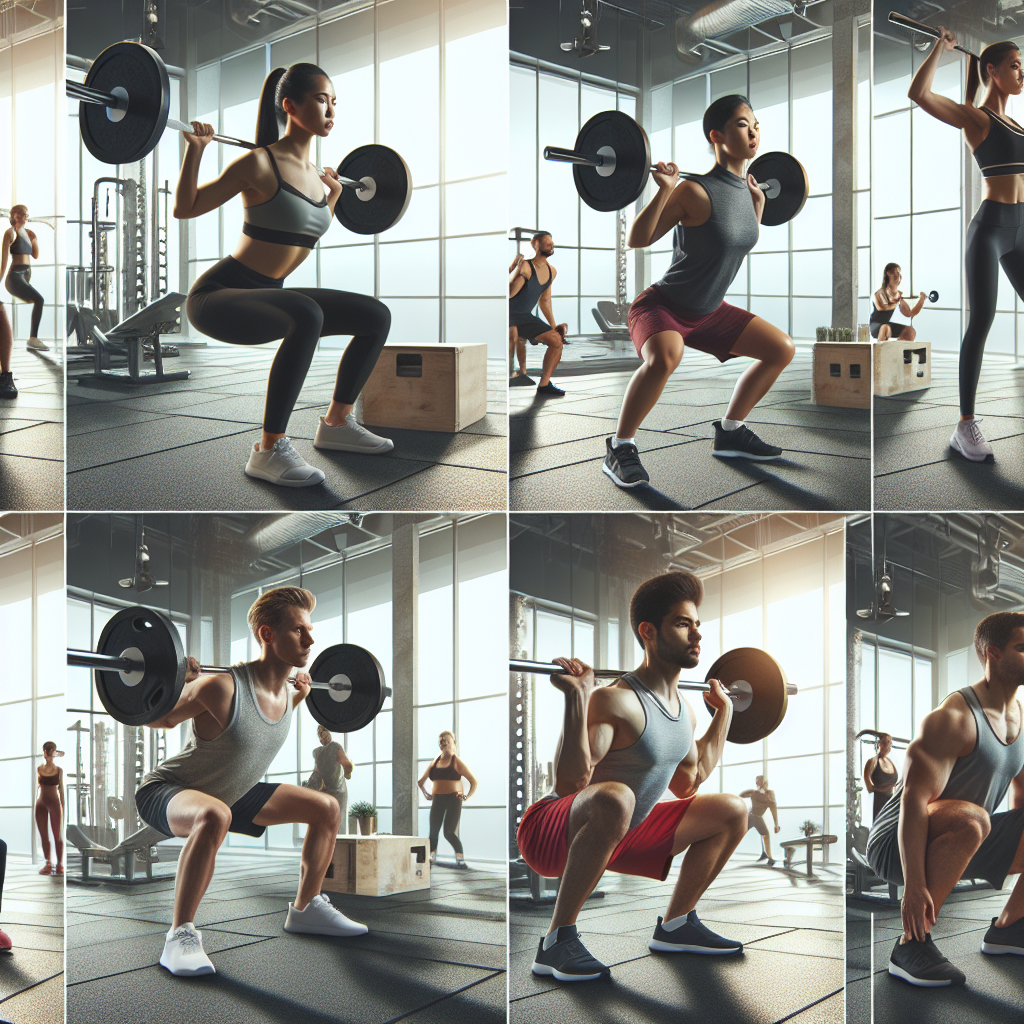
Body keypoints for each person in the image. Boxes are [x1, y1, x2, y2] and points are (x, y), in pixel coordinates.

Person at [516, 570, 747, 981]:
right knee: (616, 796)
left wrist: (724, 713)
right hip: (552, 832)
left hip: (621, 832)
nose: (696, 635)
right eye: (681, 623)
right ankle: (555, 942)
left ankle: (676, 926)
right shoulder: (614, 700)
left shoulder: (685, 712)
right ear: (648, 631)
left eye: (697, 624)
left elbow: (689, 782)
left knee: (733, 809)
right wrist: (578, 697)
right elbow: (571, 784)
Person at [175, 63, 393, 488]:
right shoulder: (258, 163)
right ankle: (268, 449)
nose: (331, 110)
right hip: (219, 295)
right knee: (306, 313)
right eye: (320, 99)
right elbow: (186, 208)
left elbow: (305, 228)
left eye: (334, 102)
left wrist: (333, 196)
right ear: (290, 105)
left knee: (374, 315)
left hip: (269, 293)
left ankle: (336, 424)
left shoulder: (320, 181)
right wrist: (195, 150)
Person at [134, 586, 368, 977]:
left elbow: (270, 719)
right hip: (168, 791)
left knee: (326, 807)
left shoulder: (290, 695)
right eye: (298, 631)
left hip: (232, 793)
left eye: (310, 629)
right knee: (213, 815)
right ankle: (179, 935)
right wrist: (178, 684)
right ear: (267, 634)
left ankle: (306, 908)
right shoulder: (220, 686)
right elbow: (158, 717)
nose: (310, 640)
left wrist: (301, 695)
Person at [603, 95, 794, 489]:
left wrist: (757, 204)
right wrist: (665, 189)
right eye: (743, 124)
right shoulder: (694, 190)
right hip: (663, 307)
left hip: (710, 311)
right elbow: (638, 239)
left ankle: (730, 432)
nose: (754, 131)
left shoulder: (749, 191)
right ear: (717, 136)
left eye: (756, 124)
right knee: (665, 357)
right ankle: (619, 446)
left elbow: (740, 239)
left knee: (782, 348)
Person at [865, 611, 1024, 986]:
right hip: (897, 842)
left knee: (977, 822)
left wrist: (1010, 859)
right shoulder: (954, 717)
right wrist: (914, 887)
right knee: (975, 819)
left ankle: (1009, 927)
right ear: (993, 653)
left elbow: (1021, 799)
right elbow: (914, 802)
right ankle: (910, 945)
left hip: (967, 835)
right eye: (1023, 647)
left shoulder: (1021, 720)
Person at [909, 32, 1024, 462]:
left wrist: (973, 78)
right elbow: (918, 93)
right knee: (982, 321)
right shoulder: (977, 120)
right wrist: (941, 46)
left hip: (1022, 226)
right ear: (992, 70)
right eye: (1014, 64)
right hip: (991, 228)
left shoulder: (1015, 123)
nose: (1022, 72)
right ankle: (965, 424)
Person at [508, 233, 567, 396]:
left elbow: (545, 301)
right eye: (547, 242)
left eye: (552, 242)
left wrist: (554, 327)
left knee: (556, 341)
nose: (551, 244)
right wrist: (516, 271)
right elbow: (510, 294)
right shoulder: (526, 267)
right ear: (536, 244)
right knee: (514, 339)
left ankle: (544, 384)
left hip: (524, 316)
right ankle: (514, 375)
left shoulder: (552, 271)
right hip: (509, 314)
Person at [418, 731, 478, 867]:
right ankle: (431, 857)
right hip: (438, 799)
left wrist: (466, 796)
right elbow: (420, 782)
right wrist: (426, 794)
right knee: (433, 831)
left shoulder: (456, 761)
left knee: (449, 832)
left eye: (446, 740)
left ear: (452, 743)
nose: (443, 742)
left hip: (453, 800)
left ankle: (460, 858)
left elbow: (474, 782)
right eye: (441, 741)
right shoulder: (435, 761)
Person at [2, 205, 47, 353]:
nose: (27, 218)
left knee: (37, 300)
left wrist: (34, 240)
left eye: (27, 215)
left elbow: (35, 255)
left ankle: (33, 339)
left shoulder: (29, 233)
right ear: (16, 216)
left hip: (26, 274)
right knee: (39, 300)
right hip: (15, 276)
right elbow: (4, 261)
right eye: (24, 215)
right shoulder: (10, 233)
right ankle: (33, 339)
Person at [312, 725, 353, 832]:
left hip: (324, 791)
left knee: (326, 825)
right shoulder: (335, 747)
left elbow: (316, 772)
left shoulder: (317, 752)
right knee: (339, 824)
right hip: (338, 791)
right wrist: (347, 775)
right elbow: (347, 765)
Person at [870, 264, 925, 340]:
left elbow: (910, 313)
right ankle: (880, 350)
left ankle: (899, 349)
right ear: (888, 274)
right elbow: (883, 307)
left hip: (888, 324)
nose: (898, 278)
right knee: (885, 328)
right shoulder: (880, 293)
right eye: (895, 274)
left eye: (899, 275)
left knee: (910, 331)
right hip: (876, 325)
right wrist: (897, 301)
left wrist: (921, 300)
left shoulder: (899, 296)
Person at [35, 742, 64, 876]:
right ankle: (48, 863)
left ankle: (59, 864)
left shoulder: (59, 770)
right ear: (45, 752)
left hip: (54, 804)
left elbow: (61, 790)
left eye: (52, 750)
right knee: (44, 836)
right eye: (48, 750)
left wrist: (62, 808)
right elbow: (37, 788)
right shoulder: (39, 769)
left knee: (57, 835)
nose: (49, 752)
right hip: (41, 804)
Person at [739, 775, 779, 865]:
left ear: (765, 782)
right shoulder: (755, 793)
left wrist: (776, 824)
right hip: (751, 817)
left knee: (765, 835)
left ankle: (768, 857)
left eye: (759, 782)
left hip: (757, 817)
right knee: (739, 834)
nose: (757, 784)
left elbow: (773, 808)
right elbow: (741, 795)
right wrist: (753, 791)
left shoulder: (769, 794)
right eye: (756, 782)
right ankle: (769, 857)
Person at [863, 732, 899, 822]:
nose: (889, 745)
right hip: (880, 806)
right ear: (880, 744)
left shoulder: (890, 761)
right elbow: (869, 788)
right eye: (887, 742)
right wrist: (885, 790)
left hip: (893, 805)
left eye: (890, 742)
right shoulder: (872, 762)